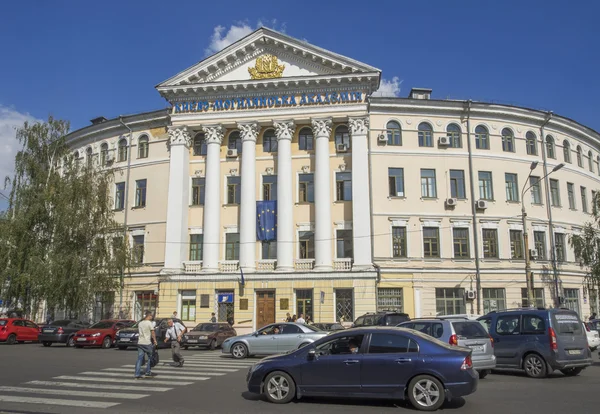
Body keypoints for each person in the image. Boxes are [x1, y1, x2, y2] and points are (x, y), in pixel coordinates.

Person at [135, 311, 157, 379]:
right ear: (149, 316)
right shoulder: (149, 323)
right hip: (147, 343)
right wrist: (155, 340)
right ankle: (148, 372)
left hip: (140, 342)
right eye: (151, 316)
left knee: (139, 359)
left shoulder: (140, 323)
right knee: (150, 357)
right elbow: (152, 332)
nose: (152, 317)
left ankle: (137, 374)